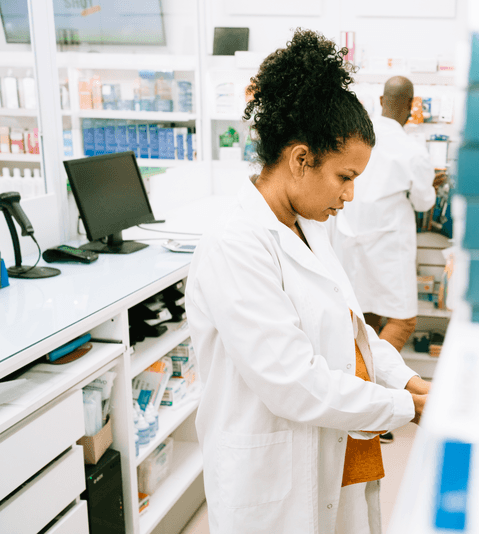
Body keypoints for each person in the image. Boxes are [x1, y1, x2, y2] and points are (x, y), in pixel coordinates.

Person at [185, 30, 430, 534]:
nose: (352, 193)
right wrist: (403, 405)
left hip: (333, 462)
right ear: (301, 159)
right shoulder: (236, 244)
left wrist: (405, 379)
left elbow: (353, 327)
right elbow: (293, 382)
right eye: (345, 176)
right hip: (271, 485)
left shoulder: (310, 229)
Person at [331, 76, 443, 443]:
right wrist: (432, 184)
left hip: (349, 242)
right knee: (404, 320)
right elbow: (425, 203)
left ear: (380, 99)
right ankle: (376, 399)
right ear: (412, 107)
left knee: (364, 320)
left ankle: (367, 403)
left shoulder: (355, 137)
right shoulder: (413, 150)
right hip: (389, 247)